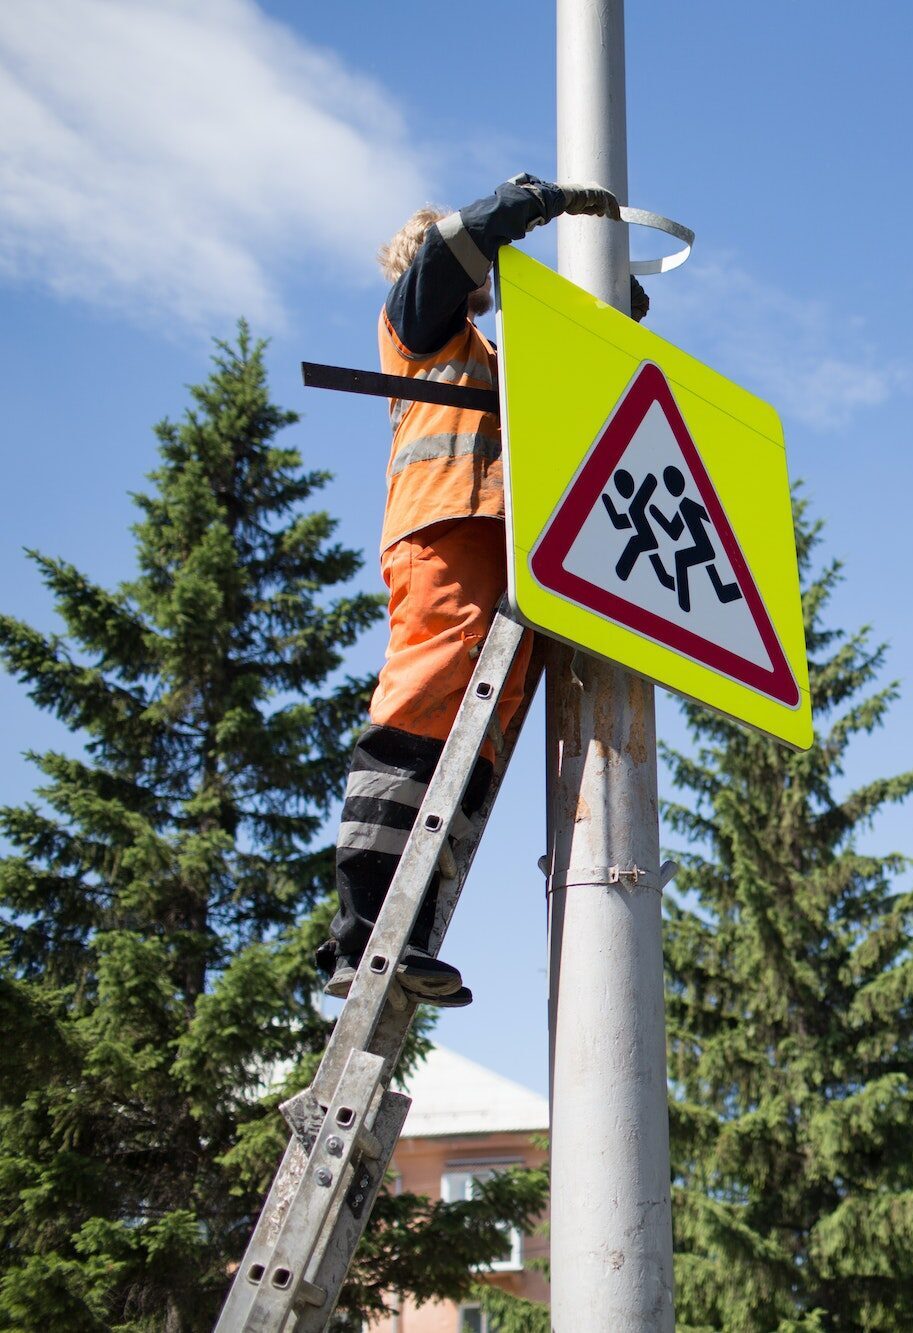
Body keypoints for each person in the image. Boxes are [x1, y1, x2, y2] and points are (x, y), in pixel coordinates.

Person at [318, 174, 650, 1006]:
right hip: (445, 528)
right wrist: (532, 203)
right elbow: (457, 242)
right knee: (426, 703)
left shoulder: (499, 354)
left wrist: (610, 303)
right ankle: (360, 935)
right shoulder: (417, 319)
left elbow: (577, 378)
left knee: (479, 737)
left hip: (514, 554)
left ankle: (411, 933)